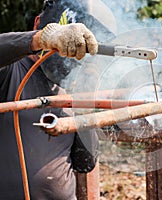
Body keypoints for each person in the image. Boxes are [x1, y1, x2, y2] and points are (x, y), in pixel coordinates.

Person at [0, 0, 102, 199]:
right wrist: (41, 39)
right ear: (38, 22)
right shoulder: (11, 70)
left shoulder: (70, 86)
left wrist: (85, 105)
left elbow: (85, 163)